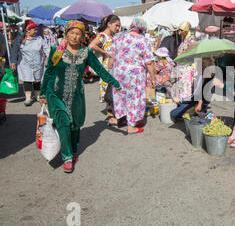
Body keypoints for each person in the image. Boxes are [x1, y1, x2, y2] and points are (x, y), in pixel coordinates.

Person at [39, 20, 121, 173]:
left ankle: (73, 149)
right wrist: (43, 93)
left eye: (78, 34)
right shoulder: (57, 50)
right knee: (63, 122)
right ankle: (67, 156)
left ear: (83, 36)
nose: (75, 37)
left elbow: (100, 70)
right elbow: (49, 72)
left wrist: (115, 83)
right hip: (56, 94)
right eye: (72, 33)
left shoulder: (86, 53)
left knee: (75, 125)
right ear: (66, 33)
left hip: (77, 95)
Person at [108, 17, 156, 134]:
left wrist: (109, 71)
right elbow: (149, 62)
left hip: (119, 74)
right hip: (135, 75)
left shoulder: (118, 38)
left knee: (122, 96)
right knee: (134, 98)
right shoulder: (143, 40)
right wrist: (153, 78)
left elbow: (111, 58)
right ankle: (131, 126)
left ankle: (123, 118)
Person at [10, 20, 50, 106]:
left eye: (36, 30)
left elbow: (46, 49)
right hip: (25, 64)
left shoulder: (39, 39)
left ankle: (37, 96)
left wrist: (51, 58)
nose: (36, 31)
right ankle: (28, 98)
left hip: (37, 63)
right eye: (34, 30)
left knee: (37, 80)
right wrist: (13, 62)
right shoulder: (20, 39)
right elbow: (14, 51)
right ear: (28, 30)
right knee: (27, 80)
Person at [88, 15, 121, 110]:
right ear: (109, 24)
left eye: (119, 26)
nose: (118, 28)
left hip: (115, 66)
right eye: (116, 25)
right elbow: (91, 45)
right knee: (110, 91)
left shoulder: (113, 36)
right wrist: (105, 53)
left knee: (115, 91)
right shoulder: (103, 36)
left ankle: (115, 115)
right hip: (107, 67)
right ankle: (112, 117)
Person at [170, 21, 198, 103]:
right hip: (182, 67)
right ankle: (183, 104)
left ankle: (186, 104)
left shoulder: (191, 39)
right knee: (182, 86)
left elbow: (192, 53)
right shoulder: (184, 39)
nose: (179, 32)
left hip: (188, 67)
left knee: (187, 87)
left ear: (186, 30)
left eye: (181, 30)